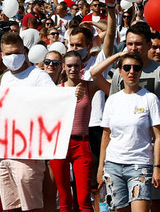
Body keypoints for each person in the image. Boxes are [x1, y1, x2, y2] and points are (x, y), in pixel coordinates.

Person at [97, 52, 160, 212]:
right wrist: (101, 167)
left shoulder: (150, 99)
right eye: (126, 67)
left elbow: (158, 136)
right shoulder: (112, 100)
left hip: (140, 165)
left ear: (141, 71)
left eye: (136, 68)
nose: (131, 72)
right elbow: (106, 135)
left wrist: (157, 167)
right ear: (120, 71)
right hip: (113, 165)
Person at [0, 31, 55, 212]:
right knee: (10, 207)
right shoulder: (5, 78)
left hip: (29, 153)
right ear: (2, 54)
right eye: (8, 54)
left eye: (16, 52)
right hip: (5, 153)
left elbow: (55, 104)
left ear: (24, 52)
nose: (12, 57)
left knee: (31, 207)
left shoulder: (39, 76)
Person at [50, 49, 111, 212]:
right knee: (64, 200)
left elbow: (98, 73)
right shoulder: (56, 90)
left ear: (82, 66)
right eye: (69, 66)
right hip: (60, 144)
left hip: (81, 144)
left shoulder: (88, 86)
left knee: (84, 199)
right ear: (63, 66)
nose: (73, 69)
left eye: (77, 66)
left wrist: (117, 55)